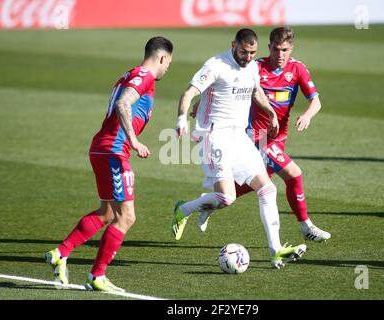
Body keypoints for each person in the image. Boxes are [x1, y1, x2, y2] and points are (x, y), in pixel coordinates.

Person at [44, 36, 173, 292]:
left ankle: (61, 252)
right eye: (169, 63)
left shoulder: (129, 75)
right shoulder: (143, 76)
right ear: (162, 58)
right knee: (126, 216)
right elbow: (124, 103)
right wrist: (134, 141)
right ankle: (96, 276)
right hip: (114, 151)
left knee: (108, 213)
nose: (168, 68)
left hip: (102, 149)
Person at [172, 28, 306, 269]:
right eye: (244, 51)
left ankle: (276, 251)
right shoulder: (216, 65)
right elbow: (189, 92)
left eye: (253, 53)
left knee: (268, 189)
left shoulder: (253, 68)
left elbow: (256, 92)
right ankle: (183, 209)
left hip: (239, 137)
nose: (248, 57)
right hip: (213, 136)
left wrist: (271, 112)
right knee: (226, 197)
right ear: (234, 44)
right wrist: (182, 119)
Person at [197, 27, 331, 242]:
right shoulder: (255, 67)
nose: (280, 55)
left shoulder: (297, 69)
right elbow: (223, 84)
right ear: (269, 47)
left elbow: (316, 101)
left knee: (259, 182)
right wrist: (199, 103)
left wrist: (307, 115)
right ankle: (306, 226)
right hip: (255, 137)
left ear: (291, 49)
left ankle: (211, 202)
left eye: (285, 50)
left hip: (279, 138)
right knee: (294, 174)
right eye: (276, 49)